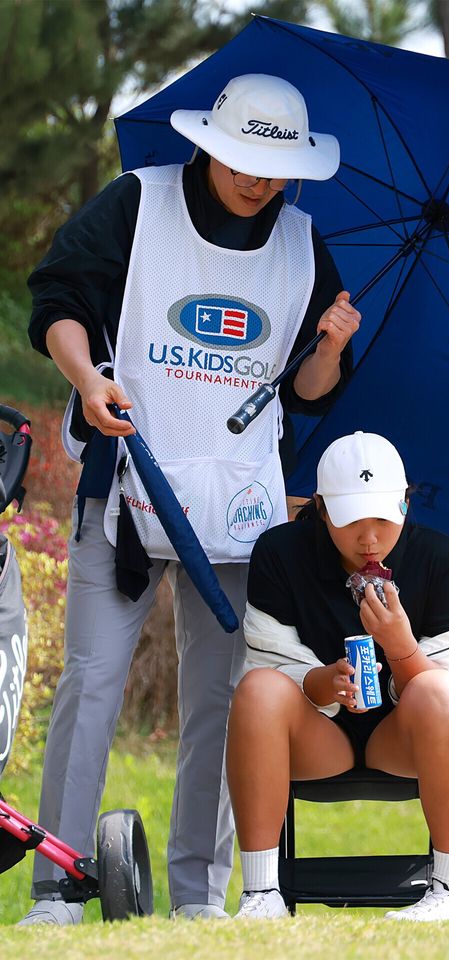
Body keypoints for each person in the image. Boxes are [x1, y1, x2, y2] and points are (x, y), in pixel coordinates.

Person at [20, 74, 360, 925]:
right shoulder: (138, 204)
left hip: (239, 517)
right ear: (210, 144)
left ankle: (200, 896)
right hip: (128, 490)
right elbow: (58, 301)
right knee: (91, 685)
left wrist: (328, 344)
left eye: (277, 169)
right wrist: (87, 379)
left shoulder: (303, 246)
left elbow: (311, 393)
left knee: (223, 704)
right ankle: (60, 887)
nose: (260, 182)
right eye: (245, 160)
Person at [227, 431, 449, 921]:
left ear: (405, 505)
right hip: (317, 733)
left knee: (438, 690)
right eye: (351, 521)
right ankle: (262, 893)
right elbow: (269, 663)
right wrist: (324, 683)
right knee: (257, 691)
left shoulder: (438, 558)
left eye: (382, 519)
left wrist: (401, 647)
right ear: (322, 509)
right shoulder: (281, 552)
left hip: (406, 737)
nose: (369, 537)